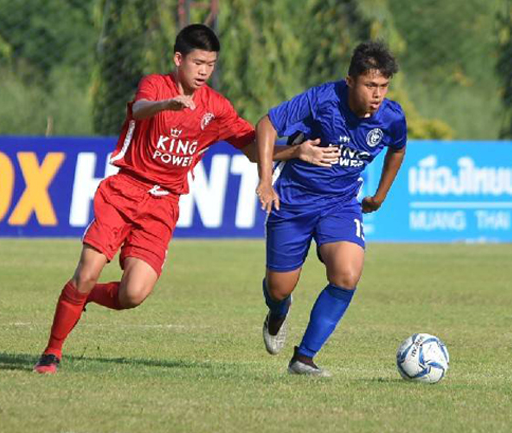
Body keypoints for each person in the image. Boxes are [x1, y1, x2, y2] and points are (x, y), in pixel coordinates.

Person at [34, 24, 334, 374]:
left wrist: (296, 151)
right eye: (198, 62)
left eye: (211, 63)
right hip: (125, 190)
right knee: (87, 270)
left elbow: (254, 149)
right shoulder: (156, 85)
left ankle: (80, 295)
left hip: (162, 206)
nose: (205, 70)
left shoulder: (217, 109)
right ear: (179, 59)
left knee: (134, 294)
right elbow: (141, 108)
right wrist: (168, 104)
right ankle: (51, 353)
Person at [255, 41, 407, 377]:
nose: (377, 94)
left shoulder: (392, 117)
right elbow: (266, 125)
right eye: (370, 85)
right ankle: (278, 310)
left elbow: (398, 148)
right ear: (350, 81)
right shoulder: (322, 99)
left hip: (340, 205)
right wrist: (266, 182)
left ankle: (304, 358)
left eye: (383, 86)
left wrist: (380, 195)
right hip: (293, 201)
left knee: (347, 274)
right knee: (280, 288)